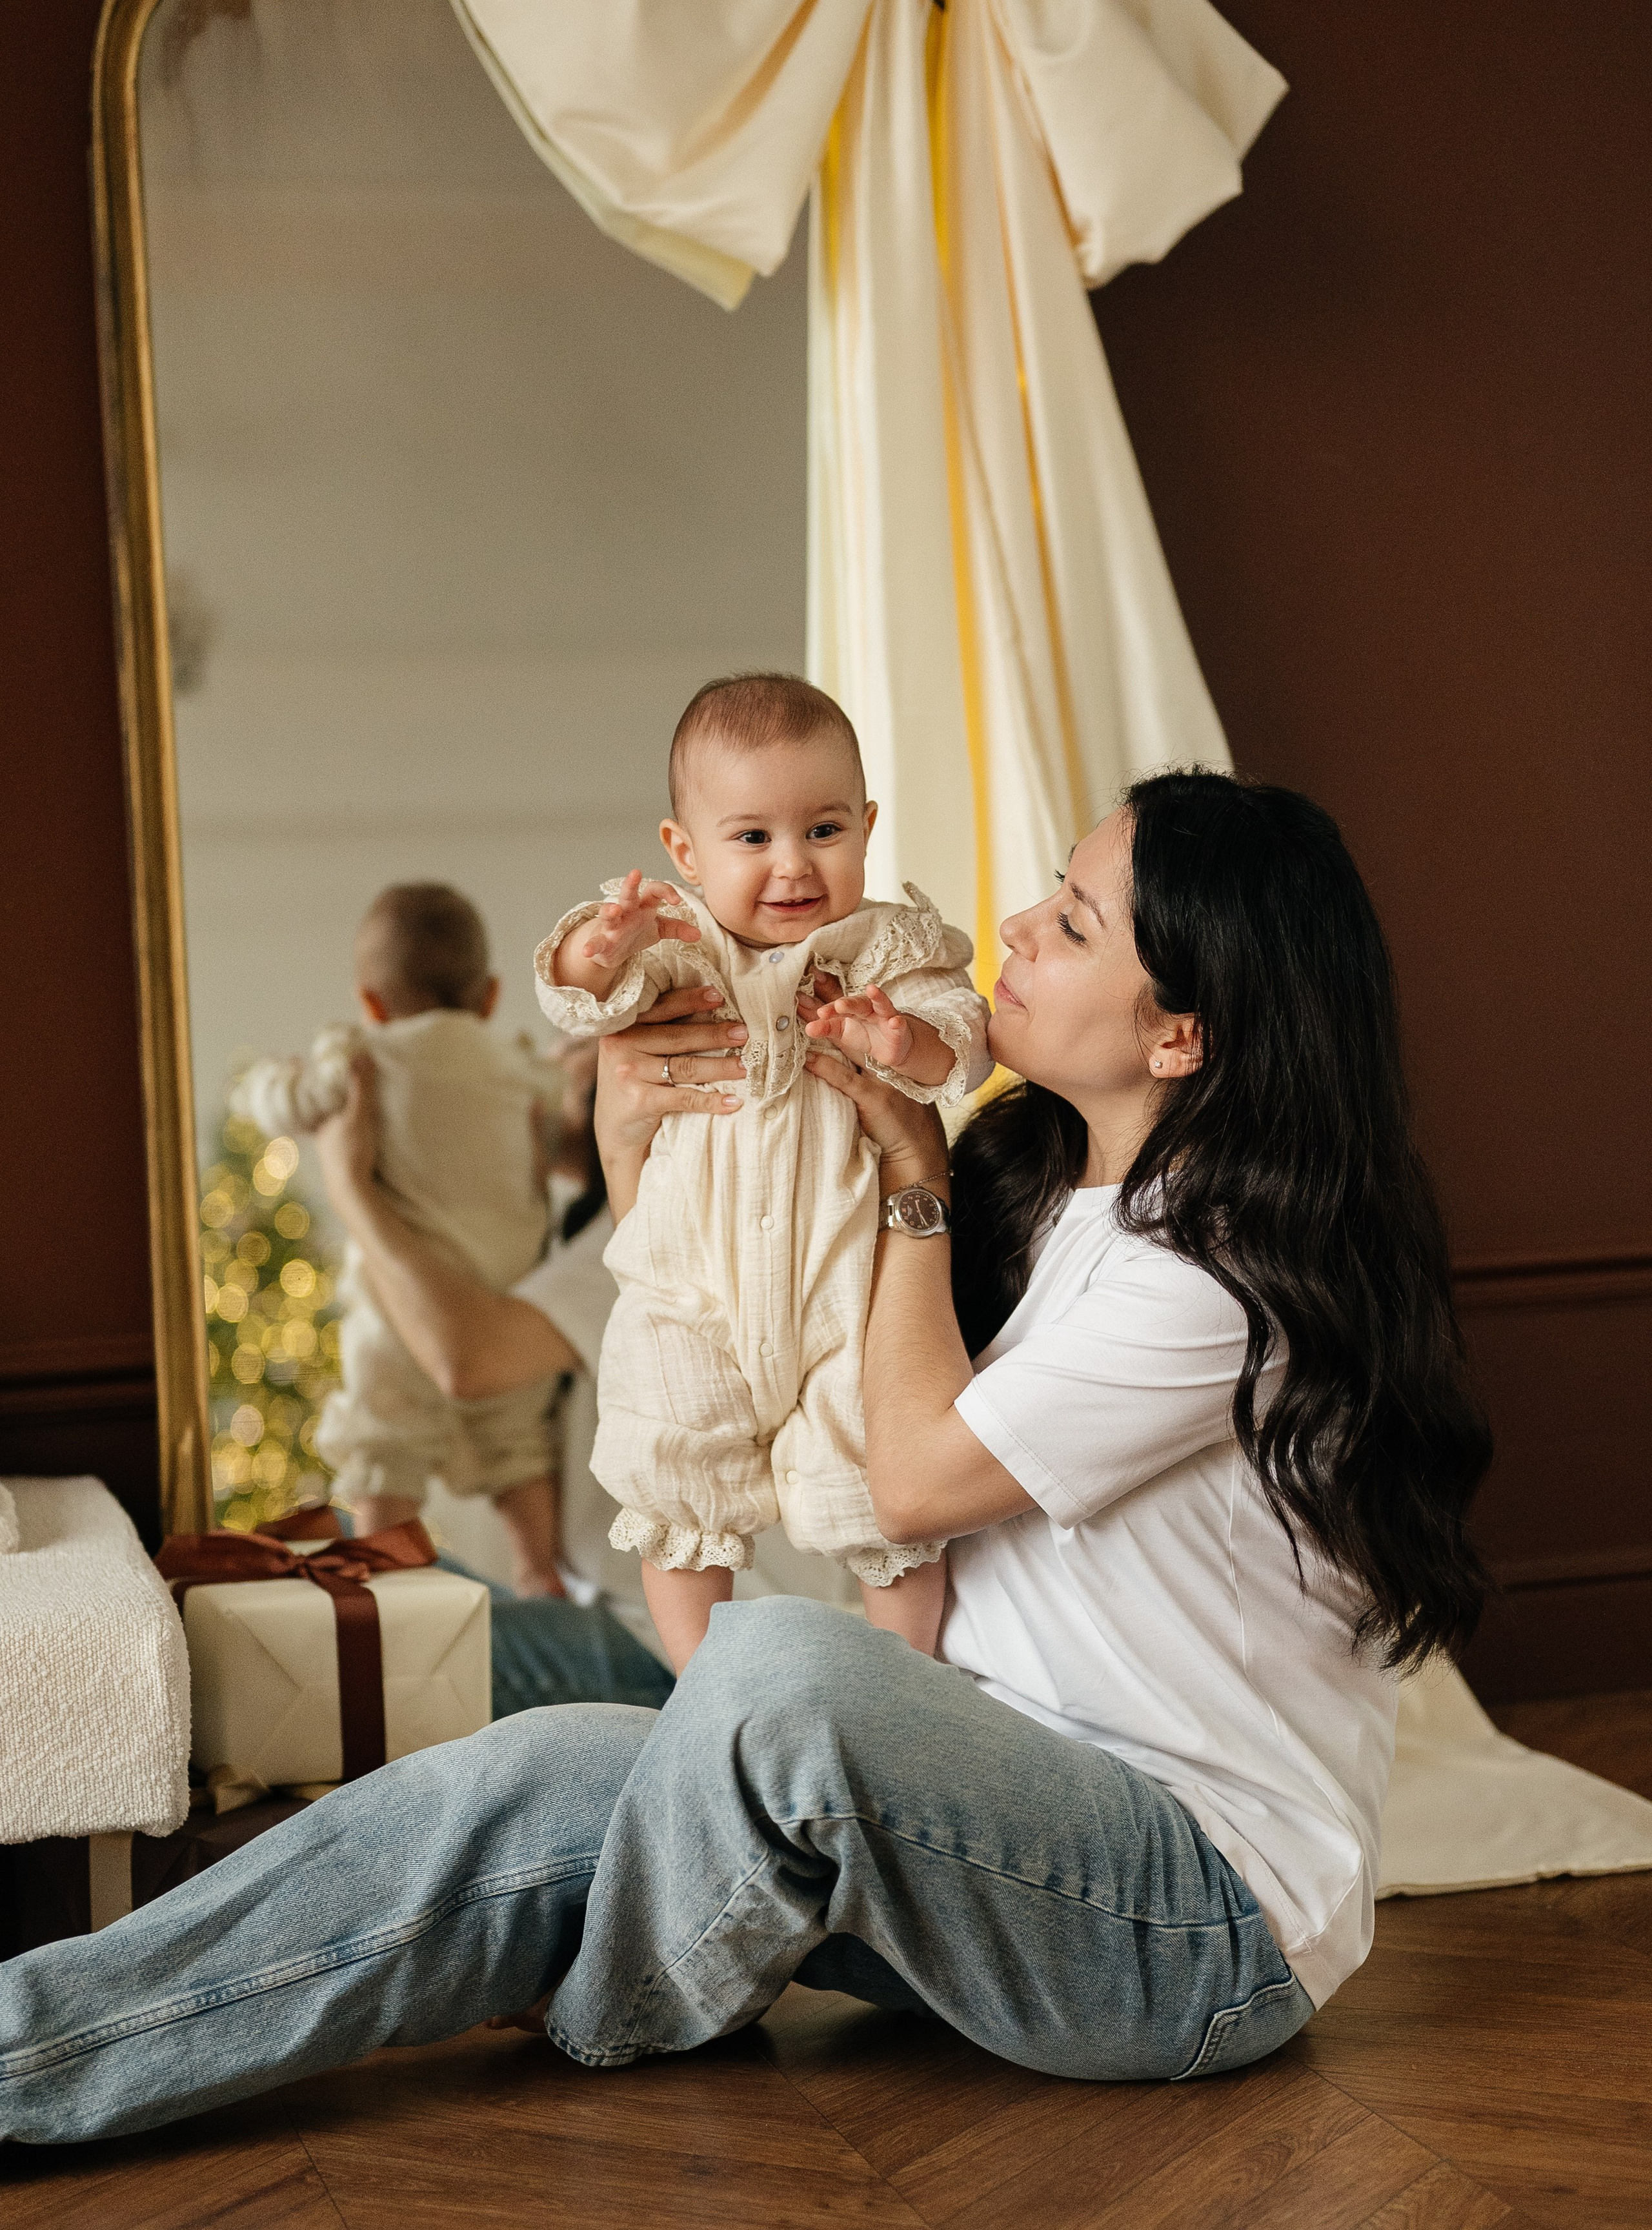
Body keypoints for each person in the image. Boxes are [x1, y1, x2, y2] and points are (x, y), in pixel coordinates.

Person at [0, 771, 1491, 2140]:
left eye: (1074, 919)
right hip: (970, 1809)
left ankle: (610, 2014)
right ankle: (29, 2056)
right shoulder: (1035, 1190)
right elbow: (706, 1305)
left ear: (1178, 1031)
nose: (1018, 925)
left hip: (1191, 1924)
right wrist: (639, 1114)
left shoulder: (1214, 1278)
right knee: (533, 1774)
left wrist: (908, 1165)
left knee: (777, 1671)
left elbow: (907, 1483)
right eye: (1048, 886)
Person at [535, 672, 991, 1667]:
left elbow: (963, 1043)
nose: (793, 866)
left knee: (884, 1475)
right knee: (674, 1463)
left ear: (868, 827)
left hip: (845, 1285)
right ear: (685, 852)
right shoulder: (683, 952)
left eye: (824, 830)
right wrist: (595, 950)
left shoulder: (882, 951)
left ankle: (909, 1673)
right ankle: (705, 1681)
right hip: (690, 1288)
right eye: (753, 838)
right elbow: (591, 1000)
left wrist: (898, 1036)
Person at [307, 1029, 862, 1708]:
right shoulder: (585, 1228)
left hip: (673, 1637)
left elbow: (467, 1359)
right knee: (327, 1542)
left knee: (366, 1639)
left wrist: (354, 1190)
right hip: (606, 1598)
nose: (535, 1072)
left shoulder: (643, 1231)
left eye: (564, 1054)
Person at [236, 882, 567, 1595]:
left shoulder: (363, 1060)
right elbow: (553, 1124)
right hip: (503, 1306)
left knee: (384, 1445)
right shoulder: (517, 1069)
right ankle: (539, 1570)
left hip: (401, 1319)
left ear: (373, 1003)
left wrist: (264, 1085)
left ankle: (380, 1581)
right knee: (518, 1451)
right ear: (489, 996)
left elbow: (285, 1102)